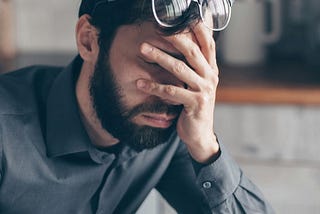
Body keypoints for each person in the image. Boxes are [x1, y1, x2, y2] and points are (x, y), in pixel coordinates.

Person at [0, 0, 274, 213]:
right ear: (89, 40)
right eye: (157, 62)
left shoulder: (172, 130)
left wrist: (205, 146)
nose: (172, 92)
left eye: (189, 65)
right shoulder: (6, 133)